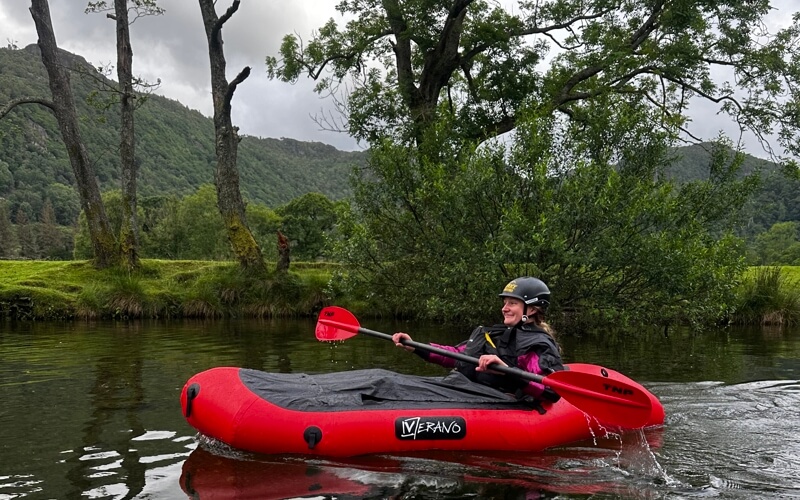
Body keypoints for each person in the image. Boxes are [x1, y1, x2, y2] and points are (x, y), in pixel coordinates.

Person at [391, 277, 564, 402]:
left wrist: (505, 370)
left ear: (532, 310)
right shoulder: (494, 334)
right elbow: (458, 355)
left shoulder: (537, 344)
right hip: (469, 390)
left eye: (512, 303)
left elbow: (549, 391)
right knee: (388, 381)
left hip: (500, 401)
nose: (504, 308)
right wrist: (415, 346)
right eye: (504, 303)